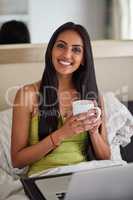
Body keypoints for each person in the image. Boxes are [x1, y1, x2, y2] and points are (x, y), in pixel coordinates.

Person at [11, 22, 111, 176]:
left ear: (83, 58)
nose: (66, 55)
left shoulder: (93, 96)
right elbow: (17, 160)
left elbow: (105, 157)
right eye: (61, 46)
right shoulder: (28, 94)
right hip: (44, 177)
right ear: (51, 50)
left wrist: (93, 132)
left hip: (83, 177)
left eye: (76, 50)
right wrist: (63, 133)